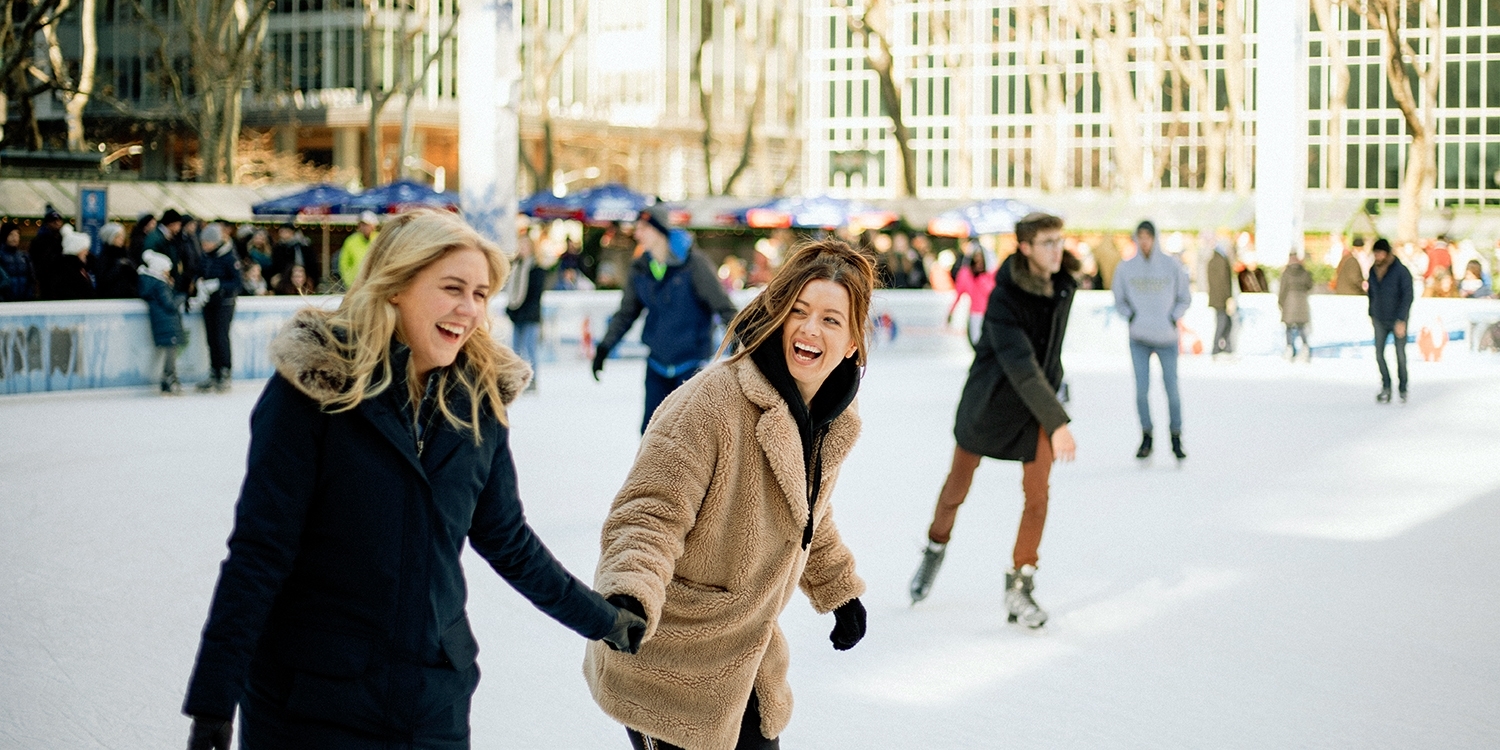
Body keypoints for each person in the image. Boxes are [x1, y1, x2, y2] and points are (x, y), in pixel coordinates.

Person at [181, 209, 645, 750]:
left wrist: (606, 621)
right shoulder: (314, 391)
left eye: (479, 294)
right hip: (311, 702)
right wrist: (214, 702)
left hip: (432, 701)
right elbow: (260, 553)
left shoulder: (478, 404)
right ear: (397, 285)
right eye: (453, 288)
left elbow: (507, 539)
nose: (468, 310)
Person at [585, 239, 872, 750]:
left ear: (852, 341)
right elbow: (649, 514)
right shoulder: (712, 404)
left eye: (831, 319)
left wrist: (838, 588)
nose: (809, 329)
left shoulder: (828, 421)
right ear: (777, 316)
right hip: (669, 659)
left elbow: (807, 512)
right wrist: (629, 591)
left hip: (747, 660)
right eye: (798, 311)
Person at [908, 213, 1078, 629]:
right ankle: (934, 548)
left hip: (1034, 406)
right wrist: (1058, 421)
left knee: (1038, 494)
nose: (1057, 250)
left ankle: (1020, 585)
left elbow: (1047, 353)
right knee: (956, 489)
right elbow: (1020, 364)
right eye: (1047, 243)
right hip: (991, 402)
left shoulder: (1063, 285)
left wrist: (1055, 393)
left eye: (1059, 240)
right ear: (1024, 247)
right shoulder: (1003, 299)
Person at [592, 204, 738, 433]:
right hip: (657, 362)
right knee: (651, 432)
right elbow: (626, 313)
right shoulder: (640, 268)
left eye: (643, 228)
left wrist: (741, 340)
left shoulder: (694, 264)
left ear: (659, 230)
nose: (637, 234)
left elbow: (723, 306)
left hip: (691, 364)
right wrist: (605, 347)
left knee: (688, 434)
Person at [1113, 220, 1191, 460]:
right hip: (1139, 337)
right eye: (1141, 236)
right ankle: (1146, 435)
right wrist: (1132, 317)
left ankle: (1176, 436)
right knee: (1141, 390)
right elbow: (1119, 299)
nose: (1144, 241)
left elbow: (1184, 297)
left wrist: (1172, 317)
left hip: (1166, 337)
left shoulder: (1171, 266)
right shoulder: (1126, 269)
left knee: (1172, 389)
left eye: (1148, 236)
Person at [194, 224, 242, 393]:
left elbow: (237, 282)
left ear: (215, 242)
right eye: (203, 243)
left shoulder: (229, 257)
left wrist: (218, 284)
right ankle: (214, 372)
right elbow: (198, 271)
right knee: (211, 338)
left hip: (224, 303)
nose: (204, 246)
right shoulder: (206, 256)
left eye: (207, 243)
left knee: (221, 337)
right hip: (208, 302)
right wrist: (198, 282)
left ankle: (225, 372)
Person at [1367, 238, 1413, 404]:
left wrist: (1401, 319)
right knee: (1379, 354)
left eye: (1380, 253)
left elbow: (1407, 296)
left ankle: (1403, 387)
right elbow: (1372, 294)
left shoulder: (1401, 272)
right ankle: (1386, 385)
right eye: (1375, 253)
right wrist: (1371, 313)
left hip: (1397, 319)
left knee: (1400, 355)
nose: (1377, 256)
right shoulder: (1373, 270)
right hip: (1379, 318)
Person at [138, 240, 184, 394]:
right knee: (171, 352)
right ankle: (169, 377)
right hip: (167, 323)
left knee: (170, 351)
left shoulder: (150, 283)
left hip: (162, 323)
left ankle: (169, 377)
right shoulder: (160, 285)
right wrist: (181, 296)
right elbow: (170, 304)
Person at [503, 233, 547, 391]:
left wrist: (527, 311)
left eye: (525, 245)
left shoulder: (537, 269)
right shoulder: (515, 267)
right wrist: (511, 308)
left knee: (530, 348)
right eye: (520, 245)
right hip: (516, 313)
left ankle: (533, 380)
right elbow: (510, 291)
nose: (522, 249)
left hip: (530, 315)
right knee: (515, 349)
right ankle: (516, 379)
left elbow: (536, 295)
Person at [947, 244, 996, 347]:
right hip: (975, 315)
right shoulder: (966, 274)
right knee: (977, 343)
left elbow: (993, 292)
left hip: (991, 313)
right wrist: (951, 312)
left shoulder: (990, 275)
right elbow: (958, 294)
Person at [1279, 251, 1314, 361]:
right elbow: (1310, 284)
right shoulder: (1304, 272)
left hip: (1289, 302)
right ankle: (1305, 347)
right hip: (1302, 302)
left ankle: (1290, 347)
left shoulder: (1286, 272)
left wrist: (1280, 302)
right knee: (1301, 327)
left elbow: (1282, 289)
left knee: (1289, 327)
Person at [48, 226, 97, 300]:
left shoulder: (79, 268)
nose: (87, 253)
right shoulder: (66, 270)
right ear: (76, 250)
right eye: (84, 249)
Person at [1206, 239, 1236, 358]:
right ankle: (1218, 347)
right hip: (1221, 298)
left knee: (1225, 322)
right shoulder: (1220, 261)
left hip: (1218, 297)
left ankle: (1225, 346)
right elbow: (1223, 282)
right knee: (1223, 322)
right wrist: (1228, 298)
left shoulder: (1215, 260)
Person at [30, 205, 67, 299]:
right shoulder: (40, 241)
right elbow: (38, 263)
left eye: (59, 220)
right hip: (47, 282)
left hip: (62, 282)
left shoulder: (63, 239)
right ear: (47, 223)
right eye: (53, 221)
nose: (57, 223)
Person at [94, 222, 139, 299]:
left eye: (122, 235)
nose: (121, 238)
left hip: (129, 296)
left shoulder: (126, 253)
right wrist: (119, 266)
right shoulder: (105, 256)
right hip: (112, 298)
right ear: (110, 238)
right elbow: (102, 280)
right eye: (118, 236)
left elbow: (135, 274)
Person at [337, 211, 380, 284]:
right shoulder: (351, 241)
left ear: (373, 226)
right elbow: (343, 263)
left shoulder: (380, 239)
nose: (364, 228)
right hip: (356, 284)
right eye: (361, 225)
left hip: (375, 283)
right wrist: (349, 281)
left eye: (366, 225)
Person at [0, 221, 38, 301]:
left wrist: (30, 295)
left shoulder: (24, 256)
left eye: (17, 234)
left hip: (24, 300)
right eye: (11, 234)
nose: (15, 238)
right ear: (5, 236)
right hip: (5, 302)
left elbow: (31, 278)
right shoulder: (1, 256)